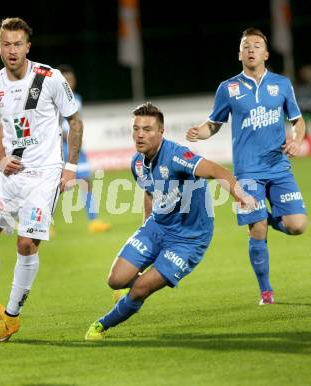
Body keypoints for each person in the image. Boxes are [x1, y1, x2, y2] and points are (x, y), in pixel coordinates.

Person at [85, 102, 255, 340]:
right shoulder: (137, 163)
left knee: (140, 288)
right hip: (157, 227)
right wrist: (146, 225)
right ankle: (133, 286)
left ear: (161, 132)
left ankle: (101, 325)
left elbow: (218, 171)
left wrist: (243, 197)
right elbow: (149, 192)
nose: (140, 134)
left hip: (189, 239)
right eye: (136, 129)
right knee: (116, 280)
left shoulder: (177, 156)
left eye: (147, 129)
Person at [0, 17, 83, 343]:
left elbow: (74, 122)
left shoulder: (50, 78)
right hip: (9, 176)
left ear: (27, 47)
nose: (12, 50)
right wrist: (0, 159)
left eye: (18, 44)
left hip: (44, 175)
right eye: (6, 44)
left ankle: (12, 318)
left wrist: (71, 168)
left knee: (25, 243)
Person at [186, 27, 308, 305]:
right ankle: (266, 291)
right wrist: (199, 132)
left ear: (265, 53)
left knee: (298, 225)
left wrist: (297, 139)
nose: (251, 49)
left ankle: (261, 216)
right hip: (247, 172)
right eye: (245, 46)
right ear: (239, 53)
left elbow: (298, 120)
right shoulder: (228, 88)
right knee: (258, 230)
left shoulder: (282, 84)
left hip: (279, 168)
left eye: (256, 45)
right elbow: (213, 125)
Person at [57, 64, 111, 233]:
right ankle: (43, 222)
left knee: (86, 182)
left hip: (76, 148)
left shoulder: (77, 98)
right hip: (59, 148)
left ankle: (94, 221)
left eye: (70, 79)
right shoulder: (53, 99)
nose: (68, 82)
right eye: (64, 80)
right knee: (56, 186)